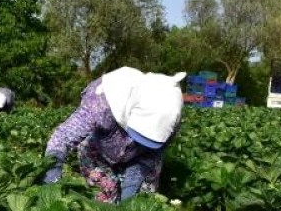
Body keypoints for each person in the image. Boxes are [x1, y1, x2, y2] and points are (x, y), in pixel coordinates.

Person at [43, 66, 186, 203]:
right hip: (98, 150)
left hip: (140, 157)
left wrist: (130, 192)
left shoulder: (172, 118)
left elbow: (152, 154)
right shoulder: (100, 105)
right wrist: (52, 182)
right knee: (104, 207)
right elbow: (61, 139)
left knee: (140, 205)